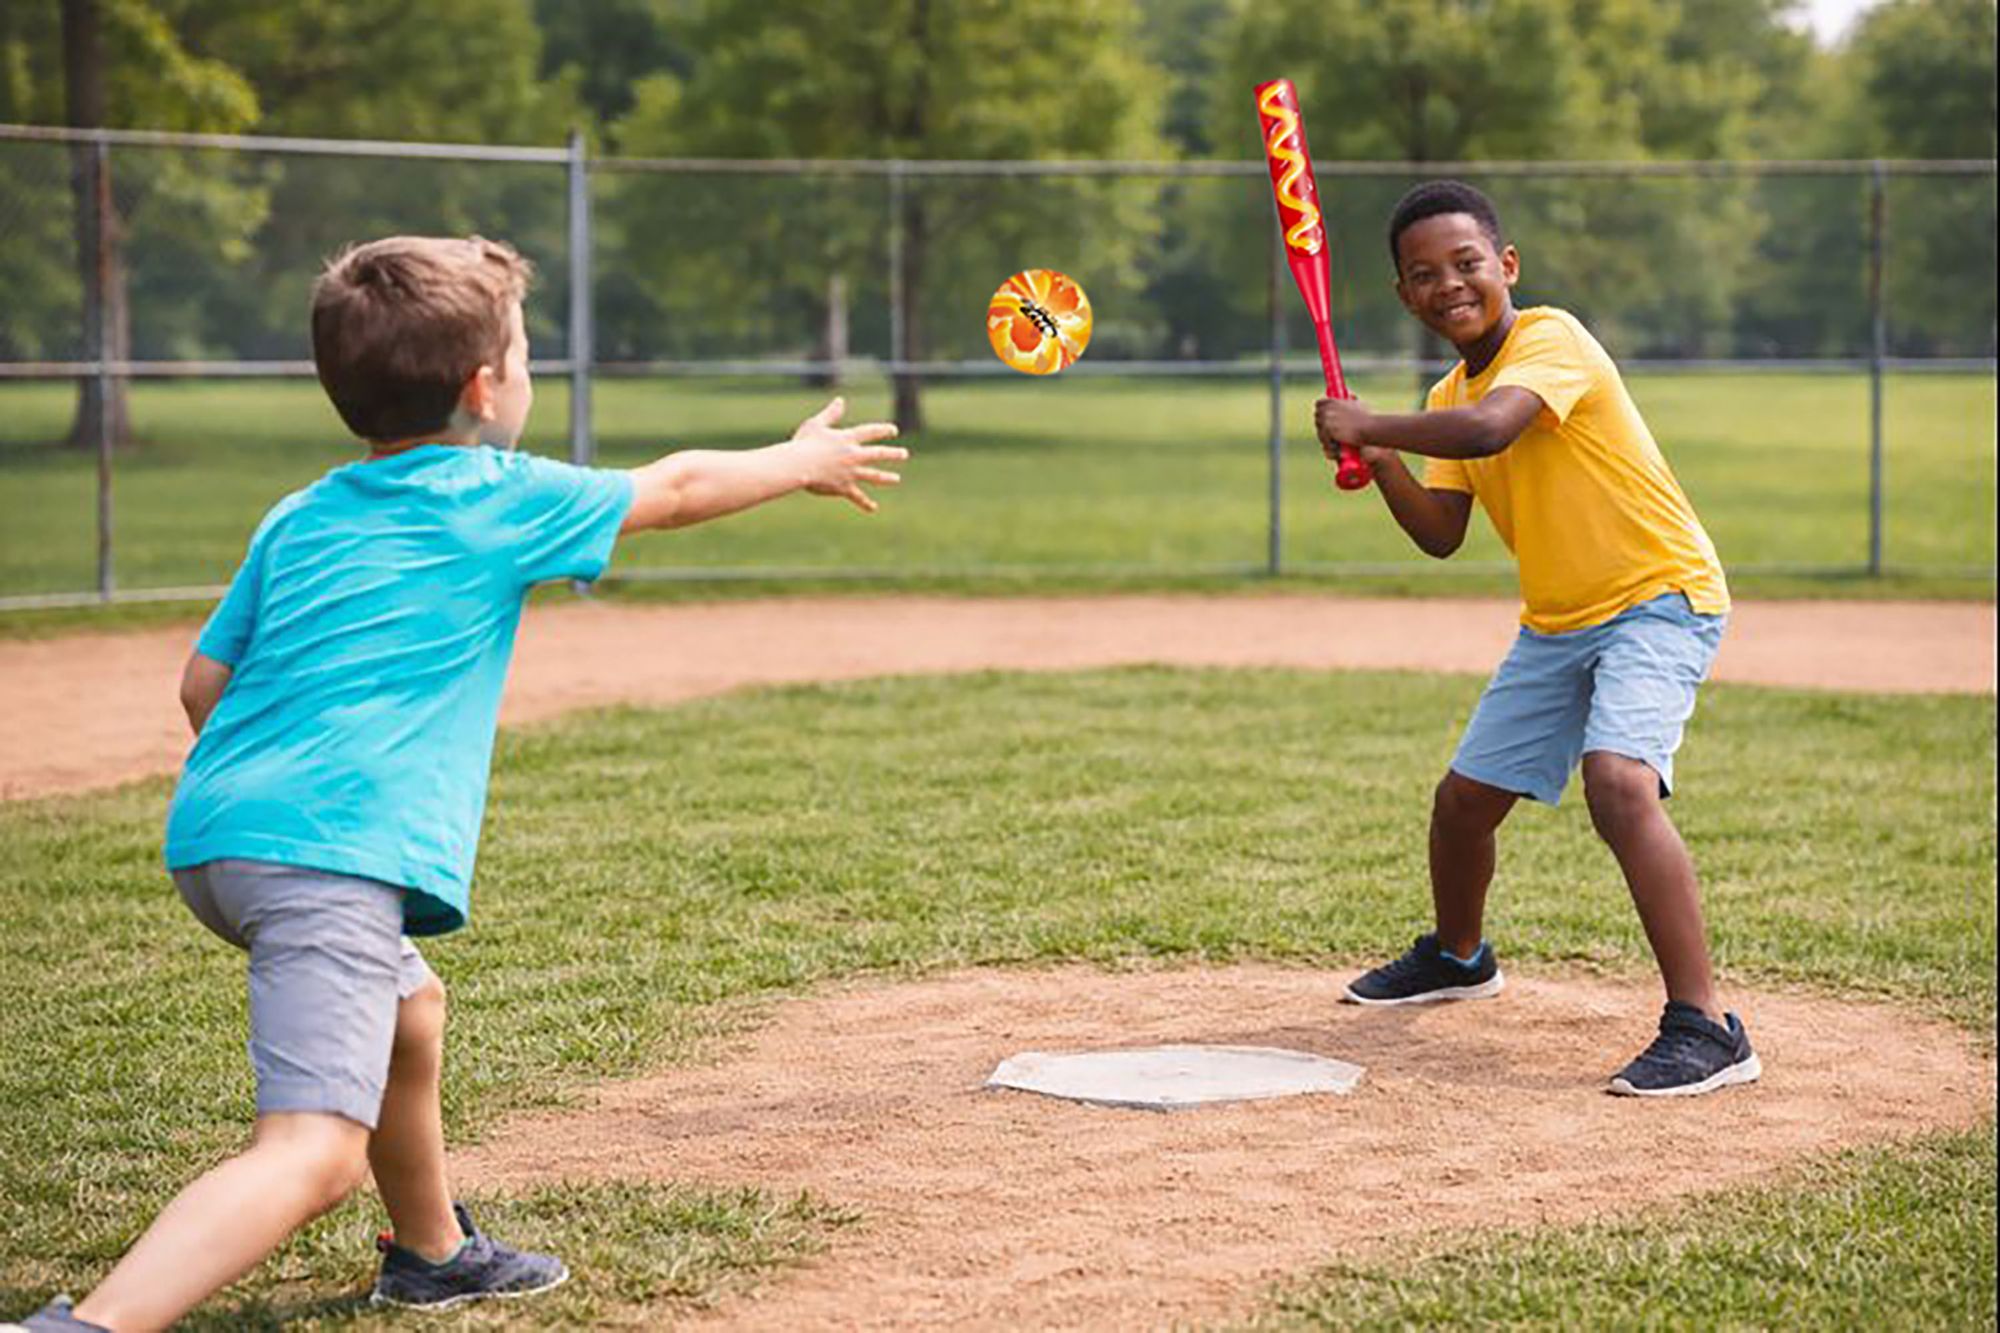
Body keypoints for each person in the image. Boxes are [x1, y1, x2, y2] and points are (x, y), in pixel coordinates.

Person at [7, 235, 907, 1333]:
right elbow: (671, 487)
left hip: (218, 831)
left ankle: (433, 1253)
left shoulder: (299, 514)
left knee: (410, 1008)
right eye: (523, 352)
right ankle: (81, 1329)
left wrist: (264, 795)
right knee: (308, 1155)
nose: (526, 370)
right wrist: (796, 460)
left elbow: (203, 683)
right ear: (485, 390)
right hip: (322, 855)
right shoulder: (491, 494)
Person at [1315, 181, 1758, 1099]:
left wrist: (1371, 423)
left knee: (1619, 782)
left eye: (1467, 263)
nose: (1449, 285)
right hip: (1559, 620)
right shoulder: (1447, 390)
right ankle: (1458, 955)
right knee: (1463, 803)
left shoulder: (1548, 338)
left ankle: (1706, 1026)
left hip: (1658, 595)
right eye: (1423, 274)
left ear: (1506, 266)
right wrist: (1387, 460)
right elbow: (1442, 530)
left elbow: (1494, 426)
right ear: (1406, 296)